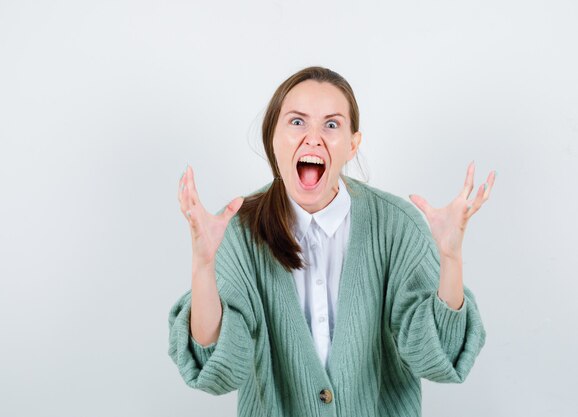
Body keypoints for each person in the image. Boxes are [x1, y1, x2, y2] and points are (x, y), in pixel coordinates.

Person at [169, 66, 495, 417]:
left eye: (331, 124)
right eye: (297, 122)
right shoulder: (237, 230)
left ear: (353, 144)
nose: (313, 138)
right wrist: (203, 266)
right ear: (273, 138)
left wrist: (451, 258)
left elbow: (437, 357)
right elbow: (217, 370)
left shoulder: (397, 226)